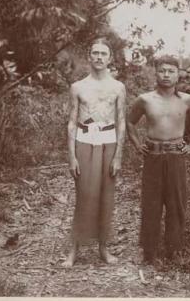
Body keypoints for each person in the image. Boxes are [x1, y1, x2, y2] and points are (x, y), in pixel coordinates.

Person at [126, 55, 190, 263]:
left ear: (178, 74)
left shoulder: (187, 100)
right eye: (162, 70)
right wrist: (137, 145)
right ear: (155, 72)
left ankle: (174, 250)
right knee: (151, 203)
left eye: (171, 71)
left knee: (176, 203)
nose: (166, 75)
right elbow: (129, 122)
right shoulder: (145, 99)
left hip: (175, 156)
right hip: (153, 156)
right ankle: (149, 251)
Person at [63, 37, 126, 267]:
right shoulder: (78, 87)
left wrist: (118, 155)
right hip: (85, 140)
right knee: (84, 195)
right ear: (89, 56)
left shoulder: (118, 87)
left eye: (103, 53)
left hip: (108, 142)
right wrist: (71, 156)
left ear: (110, 58)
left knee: (106, 196)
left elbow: (121, 122)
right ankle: (74, 249)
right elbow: (71, 122)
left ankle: (103, 248)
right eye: (95, 52)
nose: (99, 57)